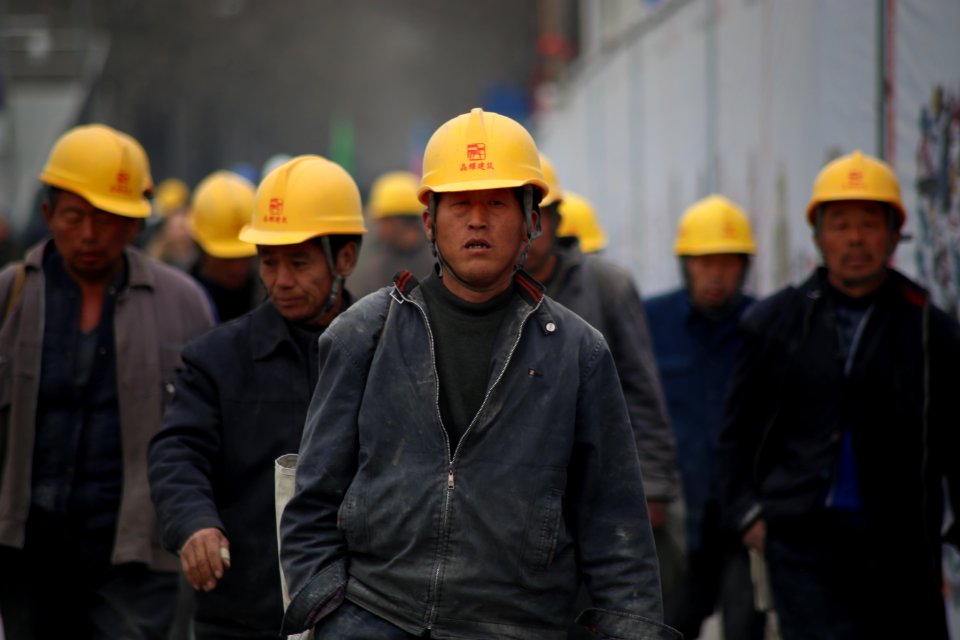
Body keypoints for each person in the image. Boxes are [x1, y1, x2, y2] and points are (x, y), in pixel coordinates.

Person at [279, 108, 679, 640]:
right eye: (460, 204)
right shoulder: (365, 333)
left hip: (519, 624)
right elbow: (312, 499)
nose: (478, 220)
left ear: (532, 221)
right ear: (429, 221)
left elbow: (615, 524)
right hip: (376, 616)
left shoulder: (577, 353)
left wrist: (632, 628)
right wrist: (329, 612)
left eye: (497, 204)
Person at [717, 150, 960, 638]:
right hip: (803, 542)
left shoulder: (930, 331)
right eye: (840, 224)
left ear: (894, 235)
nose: (854, 239)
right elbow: (736, 434)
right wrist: (748, 514)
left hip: (900, 546)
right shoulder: (774, 324)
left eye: (870, 224)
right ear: (819, 236)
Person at [0, 123, 215, 639]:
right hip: (28, 556)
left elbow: (207, 434)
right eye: (75, 217)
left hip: (136, 561)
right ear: (49, 215)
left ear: (135, 225)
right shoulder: (10, 298)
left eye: (108, 218)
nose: (91, 235)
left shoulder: (182, 305)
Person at [148, 155, 365, 639]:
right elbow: (177, 451)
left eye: (299, 262)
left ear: (345, 258)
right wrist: (195, 523)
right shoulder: (218, 359)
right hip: (241, 616)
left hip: (361, 616)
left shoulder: (390, 351)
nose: (281, 280)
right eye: (268, 262)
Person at [524, 154, 679, 527]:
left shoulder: (607, 287)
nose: (525, 229)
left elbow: (641, 391)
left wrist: (654, 486)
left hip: (598, 490)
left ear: (556, 220)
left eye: (535, 215)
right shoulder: (488, 296)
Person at [645, 195, 765, 640]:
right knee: (668, 627)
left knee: (744, 628)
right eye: (704, 263)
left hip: (742, 521)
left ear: (744, 267)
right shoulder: (650, 321)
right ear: (685, 265)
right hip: (676, 520)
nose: (716, 274)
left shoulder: (765, 324)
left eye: (729, 263)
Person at [185, 170, 263, 323]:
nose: (237, 268)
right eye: (226, 259)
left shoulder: (276, 301)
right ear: (198, 245)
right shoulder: (175, 299)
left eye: (246, 257)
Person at [349, 170, 434, 297]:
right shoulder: (375, 264)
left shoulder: (437, 265)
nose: (377, 226)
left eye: (383, 220)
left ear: (399, 221)